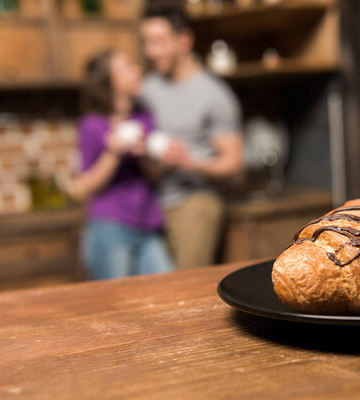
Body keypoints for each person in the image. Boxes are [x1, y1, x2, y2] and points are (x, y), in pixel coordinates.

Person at [140, 7, 244, 269]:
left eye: (159, 42)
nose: (151, 51)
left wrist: (187, 162)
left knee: (185, 287)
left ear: (184, 41)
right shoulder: (146, 89)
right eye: (147, 42)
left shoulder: (214, 94)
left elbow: (234, 165)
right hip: (149, 203)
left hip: (194, 204)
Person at [73, 49, 173, 280]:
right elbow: (85, 184)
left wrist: (143, 154)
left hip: (148, 224)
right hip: (110, 227)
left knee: (167, 289)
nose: (137, 70)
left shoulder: (144, 118)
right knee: (115, 305)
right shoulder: (92, 125)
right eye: (127, 67)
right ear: (108, 82)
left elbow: (156, 176)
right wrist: (113, 152)